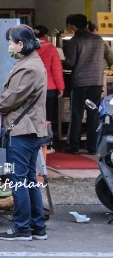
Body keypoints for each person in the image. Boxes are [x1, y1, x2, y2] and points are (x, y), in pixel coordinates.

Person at [0, 24, 48, 241]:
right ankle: (37, 226)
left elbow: (11, 98)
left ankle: (22, 228)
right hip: (32, 130)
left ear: (21, 44)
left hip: (23, 131)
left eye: (11, 42)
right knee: (29, 179)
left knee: (19, 180)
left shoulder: (27, 68)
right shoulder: (32, 62)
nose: (9, 46)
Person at [63, 13, 108, 154]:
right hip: (96, 82)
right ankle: (93, 147)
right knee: (93, 114)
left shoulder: (74, 41)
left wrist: (61, 62)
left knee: (76, 114)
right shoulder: (99, 39)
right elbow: (110, 55)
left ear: (72, 26)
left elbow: (70, 63)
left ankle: (73, 147)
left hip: (80, 83)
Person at [34, 25, 65, 127]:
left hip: (32, 88)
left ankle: (34, 140)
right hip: (49, 89)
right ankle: (47, 140)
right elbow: (57, 70)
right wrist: (61, 87)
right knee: (48, 116)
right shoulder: (51, 48)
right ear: (46, 35)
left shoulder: (28, 49)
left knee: (34, 115)